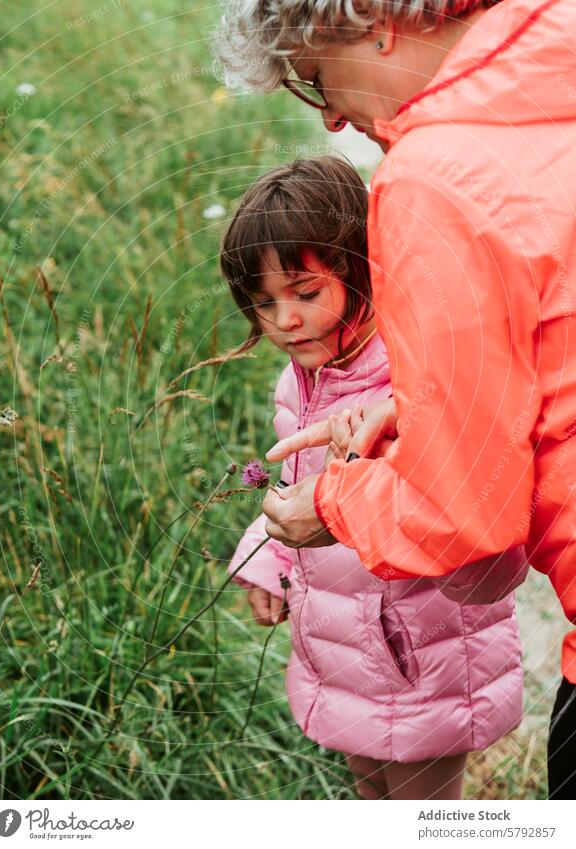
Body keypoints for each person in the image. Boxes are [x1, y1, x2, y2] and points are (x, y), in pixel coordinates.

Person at [214, 0, 576, 798]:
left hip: (425, 673)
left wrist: (336, 502)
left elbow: (469, 521)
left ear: (373, 23)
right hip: (348, 674)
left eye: (316, 80)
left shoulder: (434, 176)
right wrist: (416, 417)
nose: (334, 118)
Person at [221, 156, 524, 800]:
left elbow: (459, 506)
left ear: (364, 269)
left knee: (421, 807)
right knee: (369, 783)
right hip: (343, 646)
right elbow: (303, 491)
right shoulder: (301, 380)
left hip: (425, 651)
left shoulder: (412, 380)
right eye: (263, 303)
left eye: (306, 293)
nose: (284, 321)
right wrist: (267, 558)